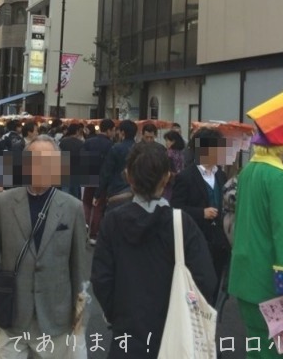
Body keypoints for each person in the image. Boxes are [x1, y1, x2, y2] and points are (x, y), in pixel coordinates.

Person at [91, 141, 217, 358]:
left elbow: (102, 278)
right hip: (176, 332)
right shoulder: (182, 223)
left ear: (128, 176)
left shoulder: (113, 221)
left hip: (127, 332)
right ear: (167, 177)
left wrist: (116, 315)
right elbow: (206, 280)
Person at [0, 135, 89, 359]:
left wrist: (80, 311)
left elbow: (79, 266)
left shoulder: (72, 207)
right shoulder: (2, 203)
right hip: (12, 311)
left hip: (56, 312)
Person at [228, 90, 283, 358]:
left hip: (247, 283)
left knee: (259, 352)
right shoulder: (281, 178)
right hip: (275, 291)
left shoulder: (249, 171)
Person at [170, 127, 229, 303]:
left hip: (219, 241)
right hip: (196, 239)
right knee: (196, 288)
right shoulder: (186, 177)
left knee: (215, 286)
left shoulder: (221, 176)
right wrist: (201, 213)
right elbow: (175, 208)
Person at [82, 118, 116, 243]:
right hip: (102, 178)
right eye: (113, 130)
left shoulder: (88, 142)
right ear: (108, 130)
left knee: (86, 203)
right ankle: (93, 234)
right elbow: (109, 166)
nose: (114, 133)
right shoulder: (111, 145)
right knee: (98, 206)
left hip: (89, 174)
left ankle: (83, 228)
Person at [97, 120, 137, 213]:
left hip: (117, 191)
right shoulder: (140, 148)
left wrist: (98, 193)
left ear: (122, 132)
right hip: (136, 191)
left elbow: (106, 172)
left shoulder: (115, 148)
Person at [58, 122, 85, 198]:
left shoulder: (62, 141)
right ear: (76, 132)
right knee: (75, 194)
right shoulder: (80, 143)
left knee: (64, 192)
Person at [162, 129, 186, 200]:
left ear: (173, 141)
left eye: (167, 140)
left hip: (169, 183)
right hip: (180, 182)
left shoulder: (169, 154)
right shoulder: (181, 153)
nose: (166, 143)